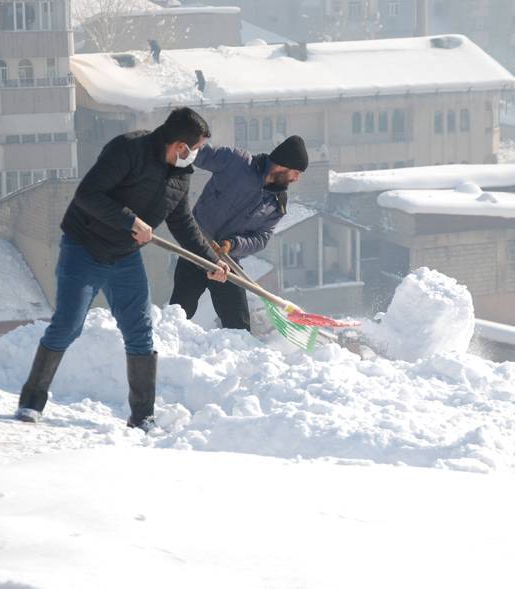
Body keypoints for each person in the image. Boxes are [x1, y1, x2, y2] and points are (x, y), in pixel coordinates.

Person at [15, 107, 229, 430]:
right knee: (67, 325)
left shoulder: (180, 176)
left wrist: (210, 262)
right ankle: (31, 402)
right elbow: (87, 195)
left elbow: (183, 223)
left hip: (125, 257)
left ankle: (143, 417)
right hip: (84, 248)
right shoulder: (128, 150)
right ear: (180, 146)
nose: (197, 156)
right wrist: (130, 220)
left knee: (140, 333)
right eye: (196, 149)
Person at [169, 135, 309, 331]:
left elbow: (261, 239)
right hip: (196, 248)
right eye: (296, 172)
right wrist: (174, 148)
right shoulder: (236, 162)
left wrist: (232, 244)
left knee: (239, 326)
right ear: (282, 165)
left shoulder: (276, 204)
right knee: (178, 315)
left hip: (228, 262)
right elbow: (199, 154)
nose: (297, 178)